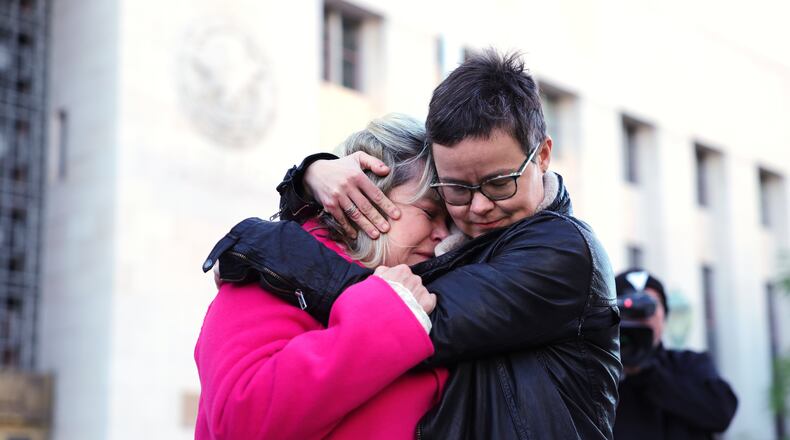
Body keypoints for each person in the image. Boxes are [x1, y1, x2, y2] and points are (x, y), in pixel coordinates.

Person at [216, 50, 622, 438]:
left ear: (544, 155)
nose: (478, 207)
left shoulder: (563, 252)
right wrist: (308, 183)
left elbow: (415, 312)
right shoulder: (469, 248)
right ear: (368, 194)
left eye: (500, 182)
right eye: (454, 193)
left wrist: (266, 246)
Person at [194, 114, 451, 439]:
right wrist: (387, 316)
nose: (443, 234)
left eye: (450, 222)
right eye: (430, 213)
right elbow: (240, 422)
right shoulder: (276, 265)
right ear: (370, 193)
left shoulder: (428, 289)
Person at [614, 269, 738, 440]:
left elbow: (722, 413)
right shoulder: (599, 372)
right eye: (630, 308)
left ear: (664, 315)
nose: (641, 317)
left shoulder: (690, 364)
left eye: (650, 305)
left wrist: (648, 374)